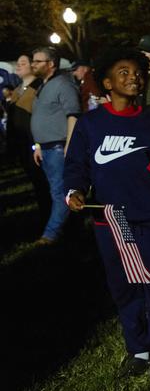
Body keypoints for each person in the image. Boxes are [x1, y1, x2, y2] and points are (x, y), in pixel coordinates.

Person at [64, 49, 150, 377]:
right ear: (107, 82)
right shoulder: (90, 125)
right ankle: (139, 349)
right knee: (123, 288)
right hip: (110, 222)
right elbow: (76, 166)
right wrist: (74, 191)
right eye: (123, 72)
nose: (134, 77)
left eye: (138, 72)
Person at [29, 46, 81, 244]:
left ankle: (51, 235)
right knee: (55, 191)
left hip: (59, 146)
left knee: (60, 192)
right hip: (47, 148)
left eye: (37, 61)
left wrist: (70, 143)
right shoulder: (43, 86)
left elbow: (73, 114)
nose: (34, 64)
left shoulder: (63, 84)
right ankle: (68, 230)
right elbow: (42, 117)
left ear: (50, 64)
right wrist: (38, 145)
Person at [7, 54, 50, 217]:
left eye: (23, 63)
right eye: (17, 63)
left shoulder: (38, 88)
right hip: (22, 145)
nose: (18, 66)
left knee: (42, 182)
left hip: (35, 145)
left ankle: (51, 216)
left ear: (32, 66)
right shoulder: (18, 90)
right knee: (36, 182)